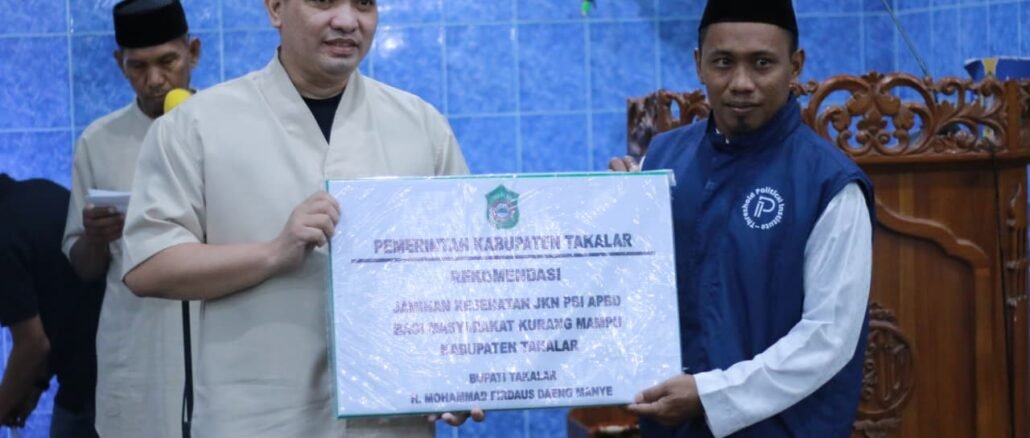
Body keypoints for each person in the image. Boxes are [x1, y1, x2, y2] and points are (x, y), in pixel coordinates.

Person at [119, 0, 481, 436]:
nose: (347, 20)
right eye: (323, 1)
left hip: (391, 419)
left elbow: (467, 271)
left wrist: (463, 372)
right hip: (258, 418)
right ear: (275, 8)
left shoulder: (420, 126)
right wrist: (272, 254)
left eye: (364, 4)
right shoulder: (195, 126)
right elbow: (147, 266)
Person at [610, 0, 874, 436]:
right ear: (699, 64)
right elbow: (634, 289)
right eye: (723, 62)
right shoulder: (661, 161)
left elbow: (829, 337)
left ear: (795, 66)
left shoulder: (829, 183)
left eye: (762, 63)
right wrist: (615, 216)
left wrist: (710, 396)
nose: (741, 83)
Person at [61, 0, 201, 436]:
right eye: (138, 66)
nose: (155, 80)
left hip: (217, 336)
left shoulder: (231, 128)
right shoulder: (98, 141)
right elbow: (84, 268)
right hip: (136, 346)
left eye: (167, 61)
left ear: (193, 52)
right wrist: (96, 237)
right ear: (119, 63)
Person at [0, 174, 104, 437]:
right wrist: (36, 383)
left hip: (87, 392)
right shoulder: (42, 192)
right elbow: (63, 301)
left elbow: (32, 345)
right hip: (111, 368)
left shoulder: (3, 239)